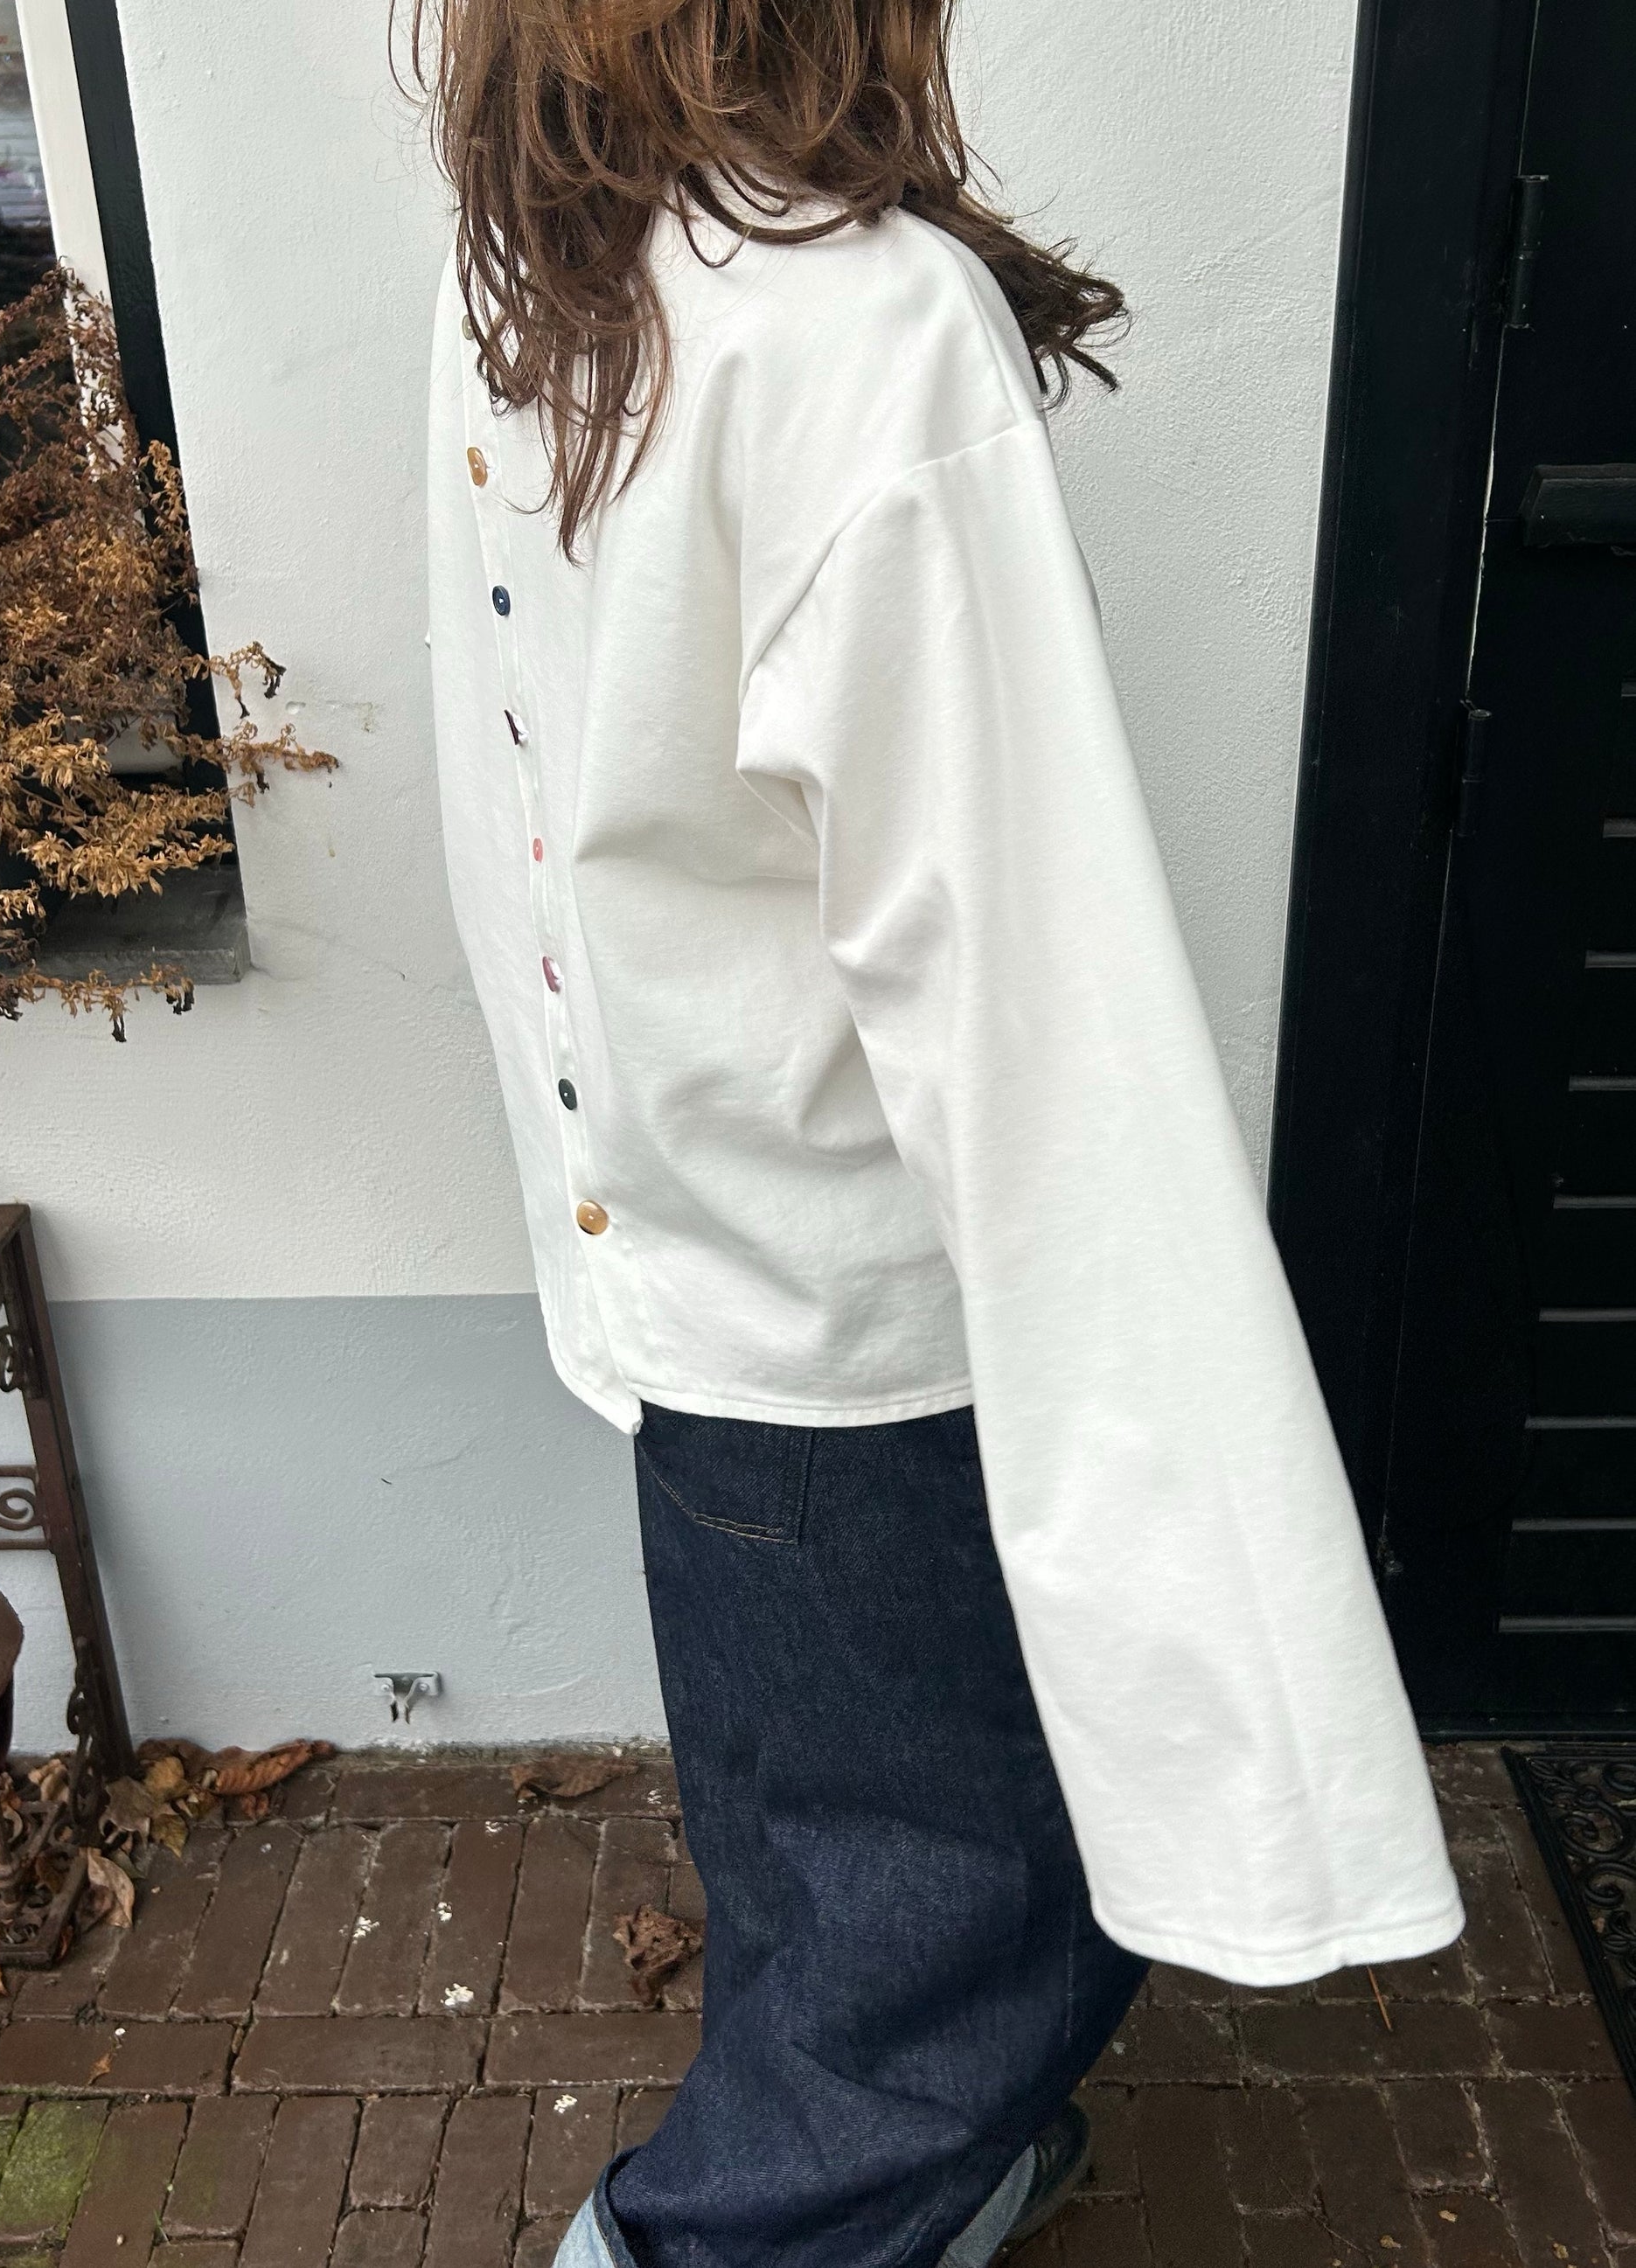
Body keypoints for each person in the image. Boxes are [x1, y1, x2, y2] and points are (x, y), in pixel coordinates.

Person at [413, 5, 1465, 2263]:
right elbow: (1032, 992)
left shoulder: (544, 265)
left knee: (816, 1845)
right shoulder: (850, 321)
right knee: (964, 1906)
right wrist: (1191, 1526)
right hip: (869, 1315)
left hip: (683, 1259)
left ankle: (941, 2179)